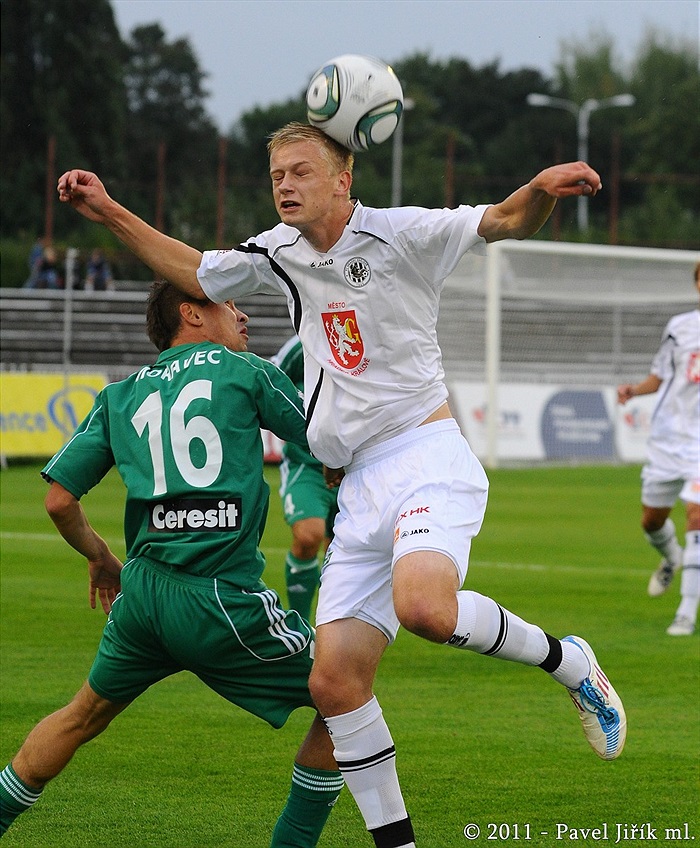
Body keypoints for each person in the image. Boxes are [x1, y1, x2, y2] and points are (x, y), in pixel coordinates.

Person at [56, 125, 626, 848]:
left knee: (424, 607)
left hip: (424, 455)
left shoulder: (404, 233)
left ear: (342, 181)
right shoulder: (280, 253)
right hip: (356, 487)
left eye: (300, 172)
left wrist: (541, 191)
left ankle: (569, 662)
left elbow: (505, 219)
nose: (285, 186)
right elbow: (196, 270)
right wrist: (107, 209)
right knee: (334, 686)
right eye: (276, 177)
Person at [0, 280, 344, 845]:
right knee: (344, 695)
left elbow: (59, 499)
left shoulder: (120, 394)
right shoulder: (247, 372)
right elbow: (325, 438)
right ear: (191, 313)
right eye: (227, 303)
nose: (242, 314)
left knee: (81, 715)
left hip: (140, 597)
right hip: (218, 600)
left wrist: (104, 558)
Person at [617, 261, 700, 636]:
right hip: (668, 437)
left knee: (696, 517)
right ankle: (672, 558)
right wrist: (634, 389)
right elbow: (661, 376)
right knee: (651, 520)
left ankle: (686, 610)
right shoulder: (680, 327)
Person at [272, 334, 339, 620]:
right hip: (307, 465)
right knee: (309, 534)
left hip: (359, 468)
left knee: (344, 554)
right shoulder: (304, 343)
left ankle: (334, 626)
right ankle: (299, 623)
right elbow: (273, 379)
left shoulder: (371, 337)